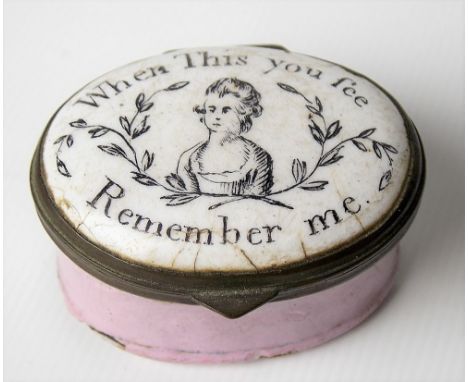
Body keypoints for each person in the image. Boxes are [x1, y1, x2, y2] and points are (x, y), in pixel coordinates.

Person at [176, 77, 273, 196]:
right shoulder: (189, 159)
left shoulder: (259, 157)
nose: (217, 116)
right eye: (212, 110)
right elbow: (187, 204)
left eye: (226, 110)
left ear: (244, 114)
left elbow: (258, 205)